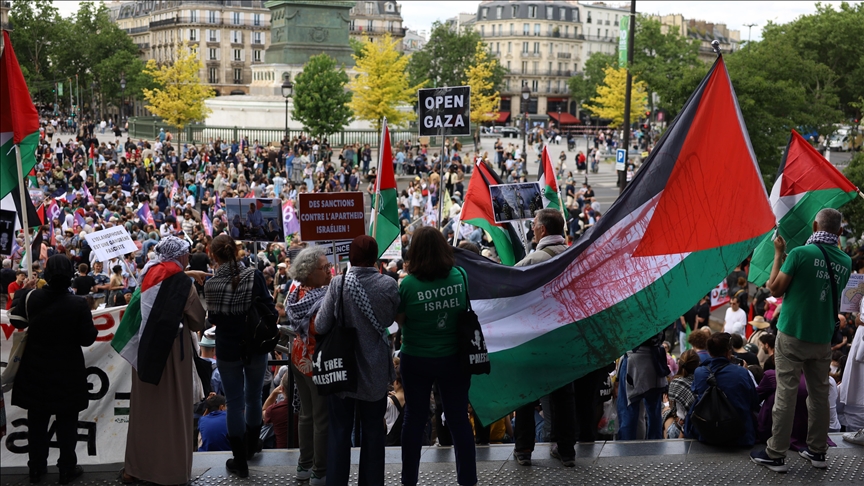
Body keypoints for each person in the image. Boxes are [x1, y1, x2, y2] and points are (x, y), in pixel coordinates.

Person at [752, 209, 851, 472]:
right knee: (819, 396)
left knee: (786, 392)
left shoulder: (798, 254)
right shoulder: (846, 260)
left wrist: (777, 255)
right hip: (822, 340)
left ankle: (776, 454)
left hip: (793, 335)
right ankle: (817, 451)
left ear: (815, 225)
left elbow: (774, 289)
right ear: (840, 232)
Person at [121, 236, 206, 485]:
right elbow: (199, 320)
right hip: (172, 357)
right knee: (173, 414)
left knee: (143, 413)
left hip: (145, 353)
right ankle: (171, 472)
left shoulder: (147, 275)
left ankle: (134, 469)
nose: (188, 257)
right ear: (179, 256)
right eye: (186, 254)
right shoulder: (183, 285)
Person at [316, 235, 400, 486]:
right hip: (374, 373)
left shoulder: (338, 284)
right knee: (374, 431)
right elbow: (387, 322)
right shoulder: (389, 285)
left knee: (340, 431)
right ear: (375, 257)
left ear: (350, 256)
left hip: (341, 371)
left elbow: (320, 325)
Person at [395, 226, 476, 486]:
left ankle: (409, 480)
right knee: (458, 418)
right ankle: (467, 479)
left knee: (414, 419)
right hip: (454, 359)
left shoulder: (407, 285)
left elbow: (399, 321)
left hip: (416, 359)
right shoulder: (460, 276)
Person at [10, 256, 97, 484]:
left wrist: (23, 293)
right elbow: (87, 339)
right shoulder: (77, 303)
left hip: (34, 371)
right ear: (70, 274)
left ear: (46, 273)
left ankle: (36, 468)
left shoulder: (31, 297)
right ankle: (67, 467)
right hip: (68, 372)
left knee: (37, 422)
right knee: (67, 422)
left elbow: (16, 321)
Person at [204, 235, 278, 478]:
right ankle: (251, 447)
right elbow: (268, 305)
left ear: (214, 255)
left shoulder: (211, 284)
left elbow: (213, 319)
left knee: (234, 403)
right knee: (254, 397)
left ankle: (239, 461)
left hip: (227, 349)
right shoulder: (253, 275)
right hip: (255, 346)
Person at [511, 209, 577, 466]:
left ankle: (524, 450)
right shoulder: (576, 256)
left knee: (526, 394)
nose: (532, 228)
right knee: (564, 396)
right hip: (565, 337)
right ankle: (567, 451)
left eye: (534, 224)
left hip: (534, 339)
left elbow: (509, 288)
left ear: (543, 230)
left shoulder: (531, 261)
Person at [284, 246, 332, 485]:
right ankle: (319, 470)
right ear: (310, 272)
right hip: (314, 362)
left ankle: (304, 464)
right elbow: (318, 328)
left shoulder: (295, 292)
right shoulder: (322, 297)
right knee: (320, 417)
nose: (329, 271)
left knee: (306, 414)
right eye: (324, 268)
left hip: (296, 357)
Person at [685, 332, 759, 447]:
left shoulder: (699, 372)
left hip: (706, 432)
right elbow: (754, 401)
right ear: (729, 352)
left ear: (709, 351)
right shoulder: (741, 372)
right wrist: (744, 373)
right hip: (739, 435)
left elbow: (695, 390)